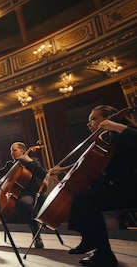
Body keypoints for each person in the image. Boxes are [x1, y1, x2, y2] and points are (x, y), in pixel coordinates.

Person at [47, 105, 137, 266]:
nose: (89, 124)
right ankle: (94, 244)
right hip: (119, 189)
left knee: (85, 199)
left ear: (107, 118)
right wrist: (64, 169)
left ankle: (101, 251)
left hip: (131, 189)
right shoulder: (107, 139)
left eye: (93, 119)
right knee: (82, 196)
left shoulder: (124, 132)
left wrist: (115, 126)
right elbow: (90, 162)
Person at [0, 142, 48, 248]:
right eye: (11, 151)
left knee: (24, 203)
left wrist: (30, 162)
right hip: (12, 194)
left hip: (29, 193)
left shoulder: (32, 162)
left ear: (22, 151)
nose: (12, 153)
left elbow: (43, 174)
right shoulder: (10, 164)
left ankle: (36, 235)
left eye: (14, 150)